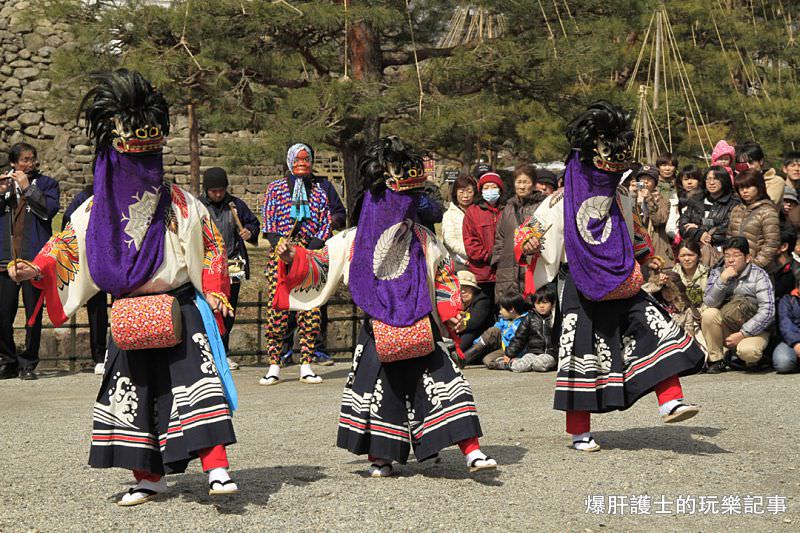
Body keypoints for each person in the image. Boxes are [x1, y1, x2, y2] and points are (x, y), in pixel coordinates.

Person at [10, 70, 238, 505]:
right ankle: (149, 477)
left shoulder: (180, 200)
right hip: (131, 313)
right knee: (132, 395)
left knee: (194, 384)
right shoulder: (96, 208)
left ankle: (216, 467)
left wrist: (216, 287)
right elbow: (64, 246)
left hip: (180, 305)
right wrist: (34, 270)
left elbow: (211, 246)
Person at [273, 136, 496, 476]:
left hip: (420, 318)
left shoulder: (422, 237)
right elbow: (320, 262)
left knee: (445, 383)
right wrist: (293, 257)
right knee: (380, 391)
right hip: (377, 327)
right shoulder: (353, 238)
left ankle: (472, 450)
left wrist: (452, 312)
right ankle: (381, 456)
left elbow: (445, 274)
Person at [515, 101, 703, 453]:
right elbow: (527, 236)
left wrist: (647, 256)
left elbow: (630, 230)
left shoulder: (617, 194)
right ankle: (579, 430)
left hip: (620, 275)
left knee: (652, 324)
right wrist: (529, 242)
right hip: (578, 281)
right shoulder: (560, 200)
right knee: (579, 353)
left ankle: (671, 399)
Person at [260, 143, 332, 386]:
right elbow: (268, 222)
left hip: (309, 253)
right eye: (298, 159)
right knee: (277, 307)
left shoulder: (320, 192)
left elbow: (325, 224)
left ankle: (307, 364)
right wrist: (282, 246)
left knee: (309, 308)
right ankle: (274, 363)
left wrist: (307, 250)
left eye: (307, 159)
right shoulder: (275, 189)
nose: (303, 163)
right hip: (281, 250)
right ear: (290, 161)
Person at [0, 142, 60, 380]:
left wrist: (28, 189)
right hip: (6, 258)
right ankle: (8, 360)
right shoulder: (4, 184)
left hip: (34, 259)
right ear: (13, 163)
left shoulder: (47, 184)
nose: (28, 163)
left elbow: (50, 210)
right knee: (3, 314)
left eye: (31, 158)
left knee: (33, 316)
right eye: (23, 159)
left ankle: (28, 362)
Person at [199, 167, 260, 370]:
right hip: (207, 266)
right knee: (207, 311)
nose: (218, 195)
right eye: (213, 191)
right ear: (206, 189)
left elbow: (253, 224)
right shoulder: (198, 207)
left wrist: (249, 232)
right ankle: (207, 354)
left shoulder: (235, 205)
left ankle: (223, 353)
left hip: (232, 264)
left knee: (228, 310)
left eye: (221, 190)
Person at [701, 237, 774, 374]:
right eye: (727, 255)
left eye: (736, 255)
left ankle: (752, 359)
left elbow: (768, 311)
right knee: (708, 314)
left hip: (755, 330)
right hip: (728, 325)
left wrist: (743, 333)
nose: (730, 260)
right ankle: (717, 360)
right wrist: (722, 280)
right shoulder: (718, 272)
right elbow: (709, 302)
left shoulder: (759, 275)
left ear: (747, 257)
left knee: (749, 352)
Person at [62, 184, 108, 375]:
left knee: (127, 304)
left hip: (122, 255)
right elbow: (68, 220)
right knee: (97, 309)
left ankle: (126, 353)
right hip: (95, 257)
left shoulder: (123, 189)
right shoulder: (86, 195)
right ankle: (99, 356)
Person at [493, 164, 546, 300]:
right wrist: (499, 263)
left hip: (533, 270)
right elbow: (500, 239)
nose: (522, 186)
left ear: (534, 185)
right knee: (509, 315)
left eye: (526, 182)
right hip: (507, 272)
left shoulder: (542, 208)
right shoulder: (508, 209)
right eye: (519, 182)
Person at [679, 166, 740, 267]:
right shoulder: (696, 199)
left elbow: (727, 228)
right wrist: (699, 234)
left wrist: (699, 229)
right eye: (708, 179)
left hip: (719, 256)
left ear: (724, 180)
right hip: (695, 255)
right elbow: (682, 225)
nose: (711, 183)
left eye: (716, 179)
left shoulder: (733, 203)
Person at [463, 172, 505, 310]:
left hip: (504, 273)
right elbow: (470, 241)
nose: (490, 191)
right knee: (482, 314)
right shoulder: (472, 212)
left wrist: (503, 257)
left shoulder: (508, 210)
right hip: (482, 273)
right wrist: (488, 256)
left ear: (500, 189)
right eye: (486, 187)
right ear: (480, 191)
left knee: (504, 313)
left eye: (494, 187)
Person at [727, 168, 780, 271]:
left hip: (758, 271)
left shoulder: (768, 211)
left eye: (749, 186)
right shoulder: (736, 210)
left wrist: (755, 265)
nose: (744, 191)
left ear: (759, 187)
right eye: (741, 188)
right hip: (735, 268)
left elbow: (772, 244)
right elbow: (730, 238)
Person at [462, 290, 529, 369]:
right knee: (493, 331)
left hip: (516, 351)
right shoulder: (504, 320)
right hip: (504, 348)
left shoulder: (525, 321)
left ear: (511, 309)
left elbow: (518, 341)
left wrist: (510, 354)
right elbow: (494, 331)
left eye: (502, 309)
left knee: (488, 360)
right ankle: (464, 357)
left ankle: (511, 364)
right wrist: (478, 343)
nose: (500, 312)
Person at [503, 284, 557, 372]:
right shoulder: (530, 317)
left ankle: (534, 365)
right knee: (519, 366)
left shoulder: (556, 318)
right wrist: (509, 354)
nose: (541, 306)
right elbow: (519, 338)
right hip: (532, 353)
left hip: (550, 354)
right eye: (538, 303)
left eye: (545, 302)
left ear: (552, 303)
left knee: (539, 364)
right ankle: (507, 363)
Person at [633, 164, 674, 267]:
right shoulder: (632, 198)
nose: (645, 182)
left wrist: (649, 199)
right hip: (637, 247)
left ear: (655, 184)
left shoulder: (663, 201)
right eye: (642, 178)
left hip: (657, 247)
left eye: (649, 179)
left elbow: (659, 220)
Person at [441, 175, 477, 268]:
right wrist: (472, 253)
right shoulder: (449, 215)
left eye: (469, 192)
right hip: (459, 263)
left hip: (480, 261)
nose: (465, 196)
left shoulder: (479, 212)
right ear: (455, 193)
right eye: (461, 192)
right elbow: (450, 241)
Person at [454, 269, 492, 352]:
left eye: (466, 288)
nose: (463, 291)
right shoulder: (454, 300)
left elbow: (475, 322)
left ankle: (457, 352)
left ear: (473, 289)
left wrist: (460, 325)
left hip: (477, 334)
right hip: (459, 331)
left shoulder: (482, 300)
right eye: (460, 287)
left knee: (472, 332)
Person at [736, 141, 784, 207]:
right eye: (742, 164)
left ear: (761, 161)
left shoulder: (776, 181)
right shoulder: (737, 182)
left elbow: (767, 205)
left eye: (750, 162)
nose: (747, 167)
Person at [667, 165, 704, 242]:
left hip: (699, 238)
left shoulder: (705, 199)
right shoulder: (675, 199)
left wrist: (699, 227)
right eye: (686, 179)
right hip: (677, 240)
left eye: (693, 179)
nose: (689, 182)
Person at [671, 239, 708, 310]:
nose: (686, 259)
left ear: (699, 256)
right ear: (678, 257)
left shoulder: (708, 273)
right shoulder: (673, 275)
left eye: (690, 255)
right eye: (682, 256)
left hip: (704, 310)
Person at [773, 280, 800, 373]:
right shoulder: (786, 300)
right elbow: (785, 324)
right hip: (791, 340)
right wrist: (796, 342)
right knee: (783, 363)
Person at [772, 225, 799, 301]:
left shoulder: (796, 273)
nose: (765, 247)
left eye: (771, 242)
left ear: (784, 246)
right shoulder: (767, 267)